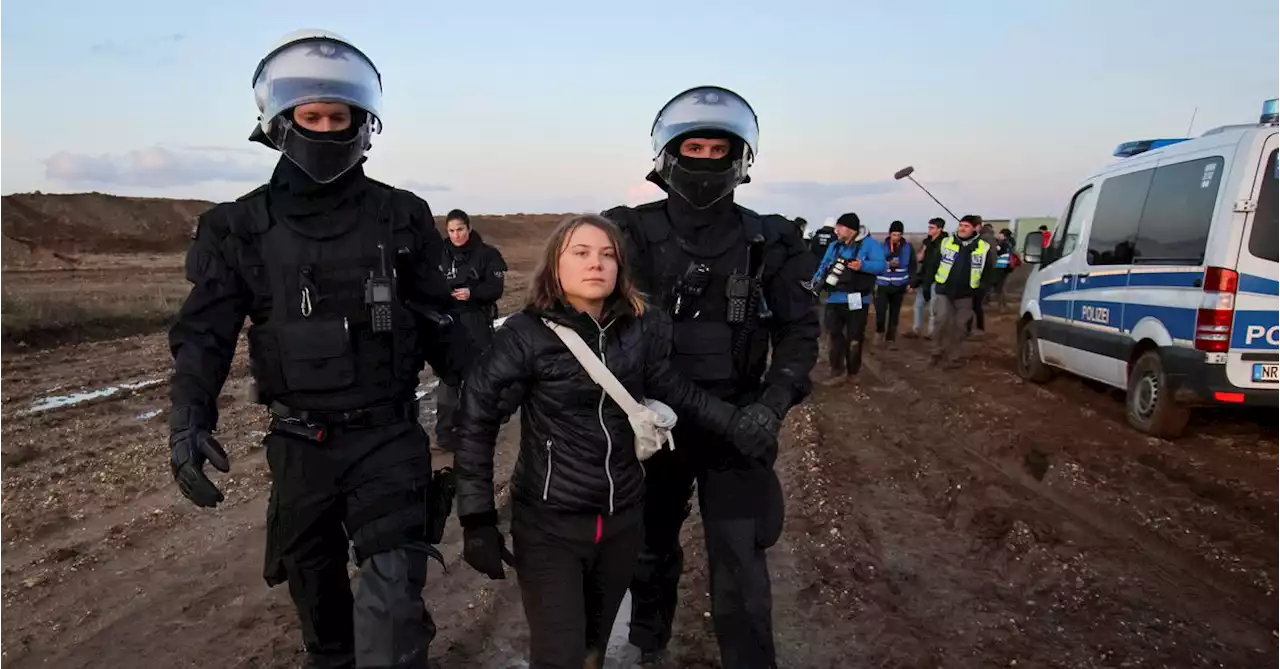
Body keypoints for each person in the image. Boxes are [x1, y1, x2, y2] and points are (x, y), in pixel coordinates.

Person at [166, 29, 469, 669]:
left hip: (389, 437)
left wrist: (511, 383)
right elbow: (205, 334)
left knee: (392, 607)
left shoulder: (402, 215)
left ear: (364, 124)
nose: (327, 130)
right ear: (280, 123)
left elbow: (442, 323)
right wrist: (188, 419)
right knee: (322, 615)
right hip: (301, 445)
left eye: (340, 118)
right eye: (312, 117)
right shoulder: (238, 226)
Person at [452, 214, 778, 669]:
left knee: (593, 649)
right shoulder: (525, 336)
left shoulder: (640, 329)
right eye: (581, 253)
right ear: (555, 265)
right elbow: (477, 417)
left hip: (622, 522)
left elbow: (677, 390)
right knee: (559, 655)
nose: (596, 264)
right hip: (550, 526)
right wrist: (477, 518)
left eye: (608, 255)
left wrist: (740, 426)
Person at [600, 85, 820, 668]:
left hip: (740, 427)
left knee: (741, 558)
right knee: (647, 550)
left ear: (739, 157)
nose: (703, 158)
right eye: (691, 146)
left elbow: (800, 333)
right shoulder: (625, 233)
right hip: (657, 425)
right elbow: (614, 338)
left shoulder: (772, 238)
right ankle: (648, 644)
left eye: (715, 148)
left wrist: (769, 408)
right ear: (668, 154)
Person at [435, 208, 507, 453]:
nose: (456, 235)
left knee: (479, 379)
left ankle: (478, 431)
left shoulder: (487, 255)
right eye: (451, 231)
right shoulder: (438, 255)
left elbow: (496, 288)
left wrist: (472, 293)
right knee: (448, 381)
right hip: (447, 326)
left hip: (477, 322)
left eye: (460, 229)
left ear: (469, 228)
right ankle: (445, 434)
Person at [811, 213, 887, 383]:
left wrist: (863, 265)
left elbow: (882, 266)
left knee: (854, 337)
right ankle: (836, 370)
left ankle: (853, 373)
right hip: (834, 298)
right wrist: (815, 283)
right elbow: (823, 266)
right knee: (834, 335)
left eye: (840, 227)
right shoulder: (834, 246)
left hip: (857, 299)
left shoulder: (869, 244)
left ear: (851, 229)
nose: (836, 230)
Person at [930, 214, 994, 369]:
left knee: (960, 326)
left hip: (967, 293)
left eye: (966, 226)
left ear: (974, 228)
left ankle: (954, 357)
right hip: (944, 290)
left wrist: (982, 289)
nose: (962, 228)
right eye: (961, 225)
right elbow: (933, 264)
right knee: (941, 321)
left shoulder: (983, 247)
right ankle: (937, 351)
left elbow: (988, 270)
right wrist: (927, 284)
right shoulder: (947, 242)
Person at [873, 220, 915, 350]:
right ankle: (879, 331)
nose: (896, 237)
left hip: (899, 284)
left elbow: (913, 265)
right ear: (889, 234)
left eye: (898, 234)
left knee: (894, 313)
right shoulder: (881, 246)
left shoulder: (908, 247)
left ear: (901, 235)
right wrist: (887, 264)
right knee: (880, 311)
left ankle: (891, 339)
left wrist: (911, 282)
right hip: (882, 283)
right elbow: (874, 263)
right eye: (893, 234)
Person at [905, 217, 947, 339]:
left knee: (933, 308)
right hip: (924, 278)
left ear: (939, 229)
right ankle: (916, 329)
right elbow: (920, 259)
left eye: (932, 227)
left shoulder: (945, 243)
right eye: (929, 227)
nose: (929, 229)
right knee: (918, 305)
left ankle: (932, 332)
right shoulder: (927, 242)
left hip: (936, 278)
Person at [990, 227, 1016, 312]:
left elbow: (996, 251)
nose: (999, 236)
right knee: (1000, 287)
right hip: (1006, 267)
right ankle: (1003, 305)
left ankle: (1002, 307)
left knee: (998, 287)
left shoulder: (1002, 244)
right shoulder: (1010, 243)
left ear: (1003, 235)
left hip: (1000, 267)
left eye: (1000, 234)